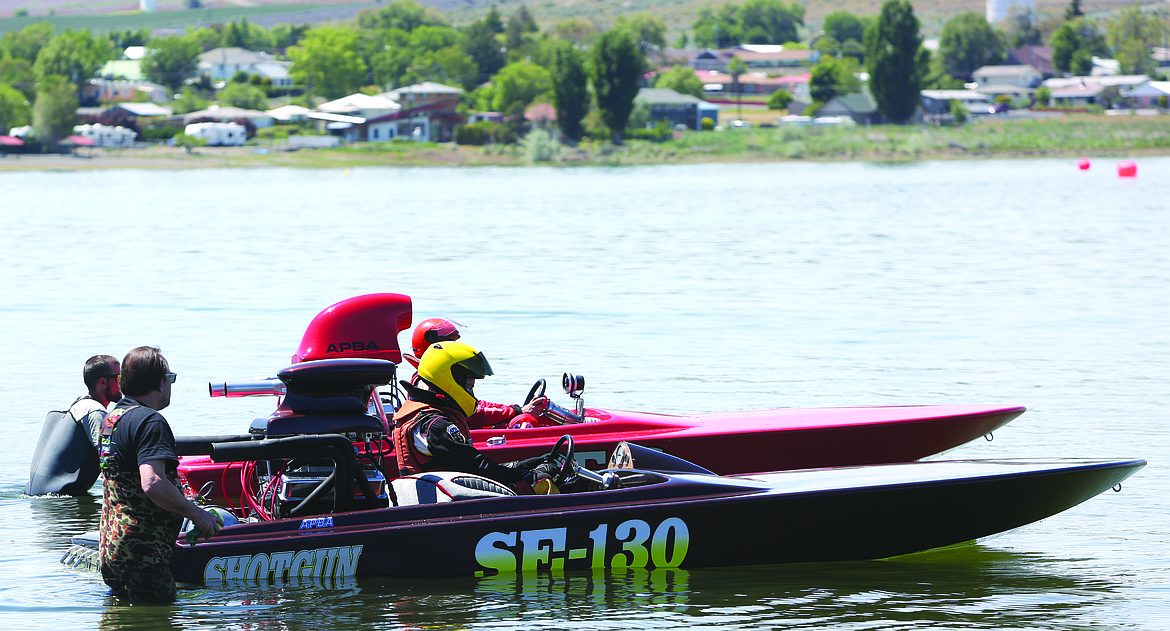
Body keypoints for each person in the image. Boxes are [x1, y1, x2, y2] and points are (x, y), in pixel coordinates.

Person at [98, 346, 221, 602]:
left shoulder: (112, 420)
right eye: (170, 378)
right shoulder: (149, 422)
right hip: (144, 557)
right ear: (161, 383)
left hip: (113, 549)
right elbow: (152, 482)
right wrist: (196, 514)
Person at [392, 341, 558, 489]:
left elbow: (472, 467)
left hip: (447, 495)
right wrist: (527, 476)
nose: (472, 394)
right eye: (469, 387)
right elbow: (476, 468)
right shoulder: (436, 425)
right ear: (449, 381)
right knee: (543, 480)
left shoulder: (422, 413)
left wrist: (522, 466)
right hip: (450, 505)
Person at [405, 318, 549, 428]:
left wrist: (514, 409)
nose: (455, 347)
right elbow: (474, 413)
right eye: (450, 342)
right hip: (454, 430)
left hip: (461, 426)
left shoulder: (436, 375)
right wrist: (518, 411)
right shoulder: (426, 382)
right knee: (525, 422)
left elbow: (475, 404)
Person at [26, 355, 122, 496]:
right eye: (118, 377)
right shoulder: (95, 411)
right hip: (60, 500)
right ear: (103, 381)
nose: (122, 383)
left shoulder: (77, 404)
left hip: (40, 497)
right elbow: (106, 456)